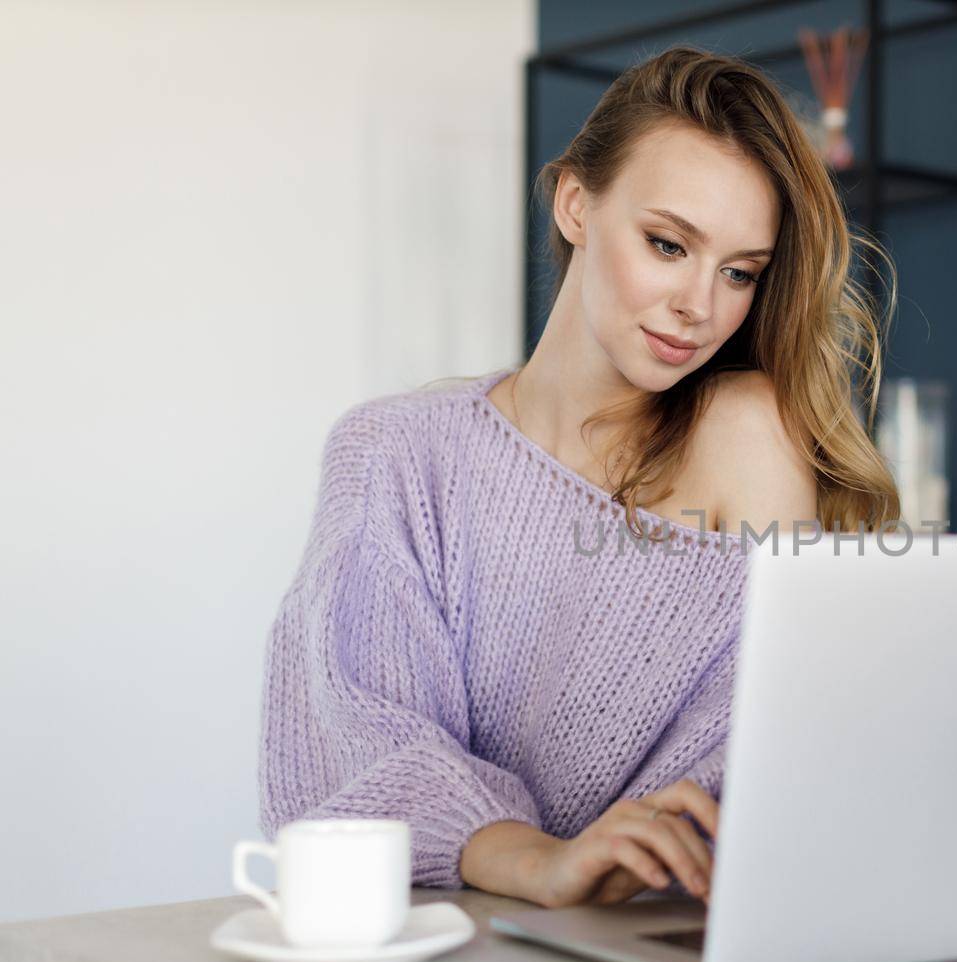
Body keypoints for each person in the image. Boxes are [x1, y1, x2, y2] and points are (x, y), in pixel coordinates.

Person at [256, 45, 900, 910]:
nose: (700, 305)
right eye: (668, 243)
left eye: (741, 271)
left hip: (676, 959)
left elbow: (777, 749)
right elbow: (358, 738)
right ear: (575, 206)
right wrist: (539, 862)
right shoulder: (398, 454)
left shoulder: (747, 431)